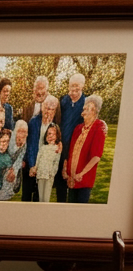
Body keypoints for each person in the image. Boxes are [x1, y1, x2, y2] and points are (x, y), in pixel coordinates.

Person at [63, 94, 107, 204]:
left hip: (84, 179)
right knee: (69, 209)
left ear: (95, 112)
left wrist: (81, 174)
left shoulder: (99, 126)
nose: (85, 109)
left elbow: (96, 157)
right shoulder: (78, 128)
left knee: (80, 210)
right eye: (85, 107)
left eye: (89, 108)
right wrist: (66, 171)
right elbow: (70, 152)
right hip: (71, 178)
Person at [55, 74, 86, 203]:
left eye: (76, 90)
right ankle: (60, 205)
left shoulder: (87, 102)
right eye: (71, 89)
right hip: (62, 144)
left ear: (82, 87)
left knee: (73, 178)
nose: (73, 93)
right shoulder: (64, 101)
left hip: (76, 147)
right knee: (60, 179)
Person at [18, 75, 48, 200]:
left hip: (43, 156)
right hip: (27, 155)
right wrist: (22, 157)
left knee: (39, 194)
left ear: (46, 90)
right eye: (37, 88)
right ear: (33, 90)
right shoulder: (26, 108)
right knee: (26, 192)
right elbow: (20, 134)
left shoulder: (51, 107)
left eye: (42, 88)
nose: (39, 92)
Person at [26, 93, 61, 202]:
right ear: (42, 108)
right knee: (27, 196)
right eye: (46, 108)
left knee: (42, 197)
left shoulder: (55, 126)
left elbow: (58, 141)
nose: (48, 112)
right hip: (33, 164)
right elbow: (30, 145)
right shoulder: (34, 122)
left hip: (46, 168)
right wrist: (32, 165)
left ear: (55, 111)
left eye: (51, 109)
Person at [30, 123, 63, 203]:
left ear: (57, 136)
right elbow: (38, 159)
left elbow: (56, 163)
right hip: (40, 174)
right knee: (41, 198)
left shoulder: (57, 148)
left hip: (49, 176)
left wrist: (52, 174)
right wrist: (36, 169)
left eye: (53, 134)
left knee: (46, 198)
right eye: (49, 134)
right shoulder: (43, 148)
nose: (50, 136)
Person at [0, 119, 28, 201]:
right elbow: (3, 153)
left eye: (24, 132)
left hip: (13, 169)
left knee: (8, 191)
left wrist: (14, 171)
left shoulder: (24, 144)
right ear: (15, 131)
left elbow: (20, 158)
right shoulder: (9, 138)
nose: (22, 134)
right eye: (20, 131)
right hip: (3, 167)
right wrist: (9, 169)